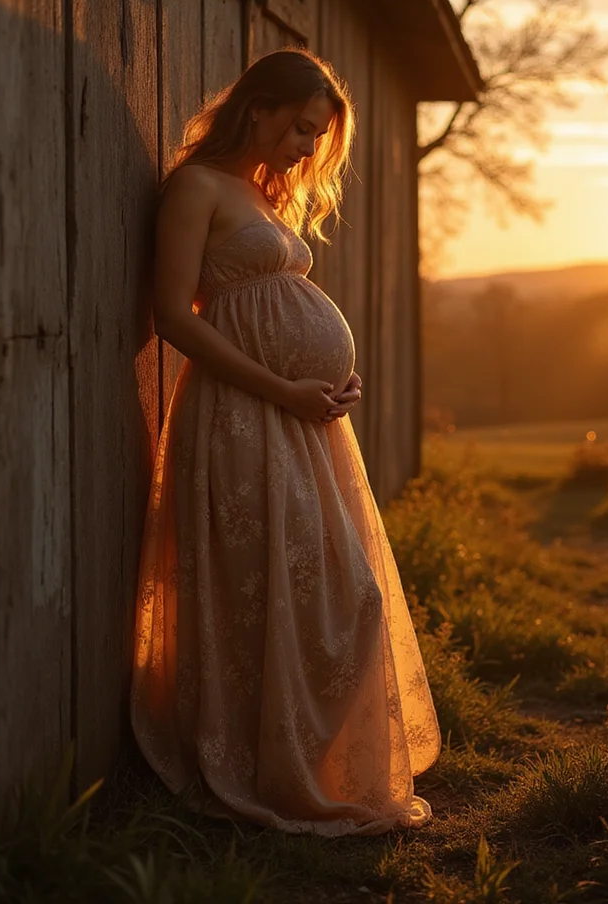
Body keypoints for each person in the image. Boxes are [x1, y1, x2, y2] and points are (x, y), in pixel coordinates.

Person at [130, 47, 441, 837]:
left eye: (318, 137)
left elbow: (281, 310)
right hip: (242, 417)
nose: (308, 149)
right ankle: (266, 776)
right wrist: (285, 386)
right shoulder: (196, 187)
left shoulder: (263, 196)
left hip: (303, 419)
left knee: (345, 594)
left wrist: (332, 383)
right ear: (258, 106)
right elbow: (174, 318)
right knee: (266, 591)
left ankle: (309, 767)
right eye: (303, 129)